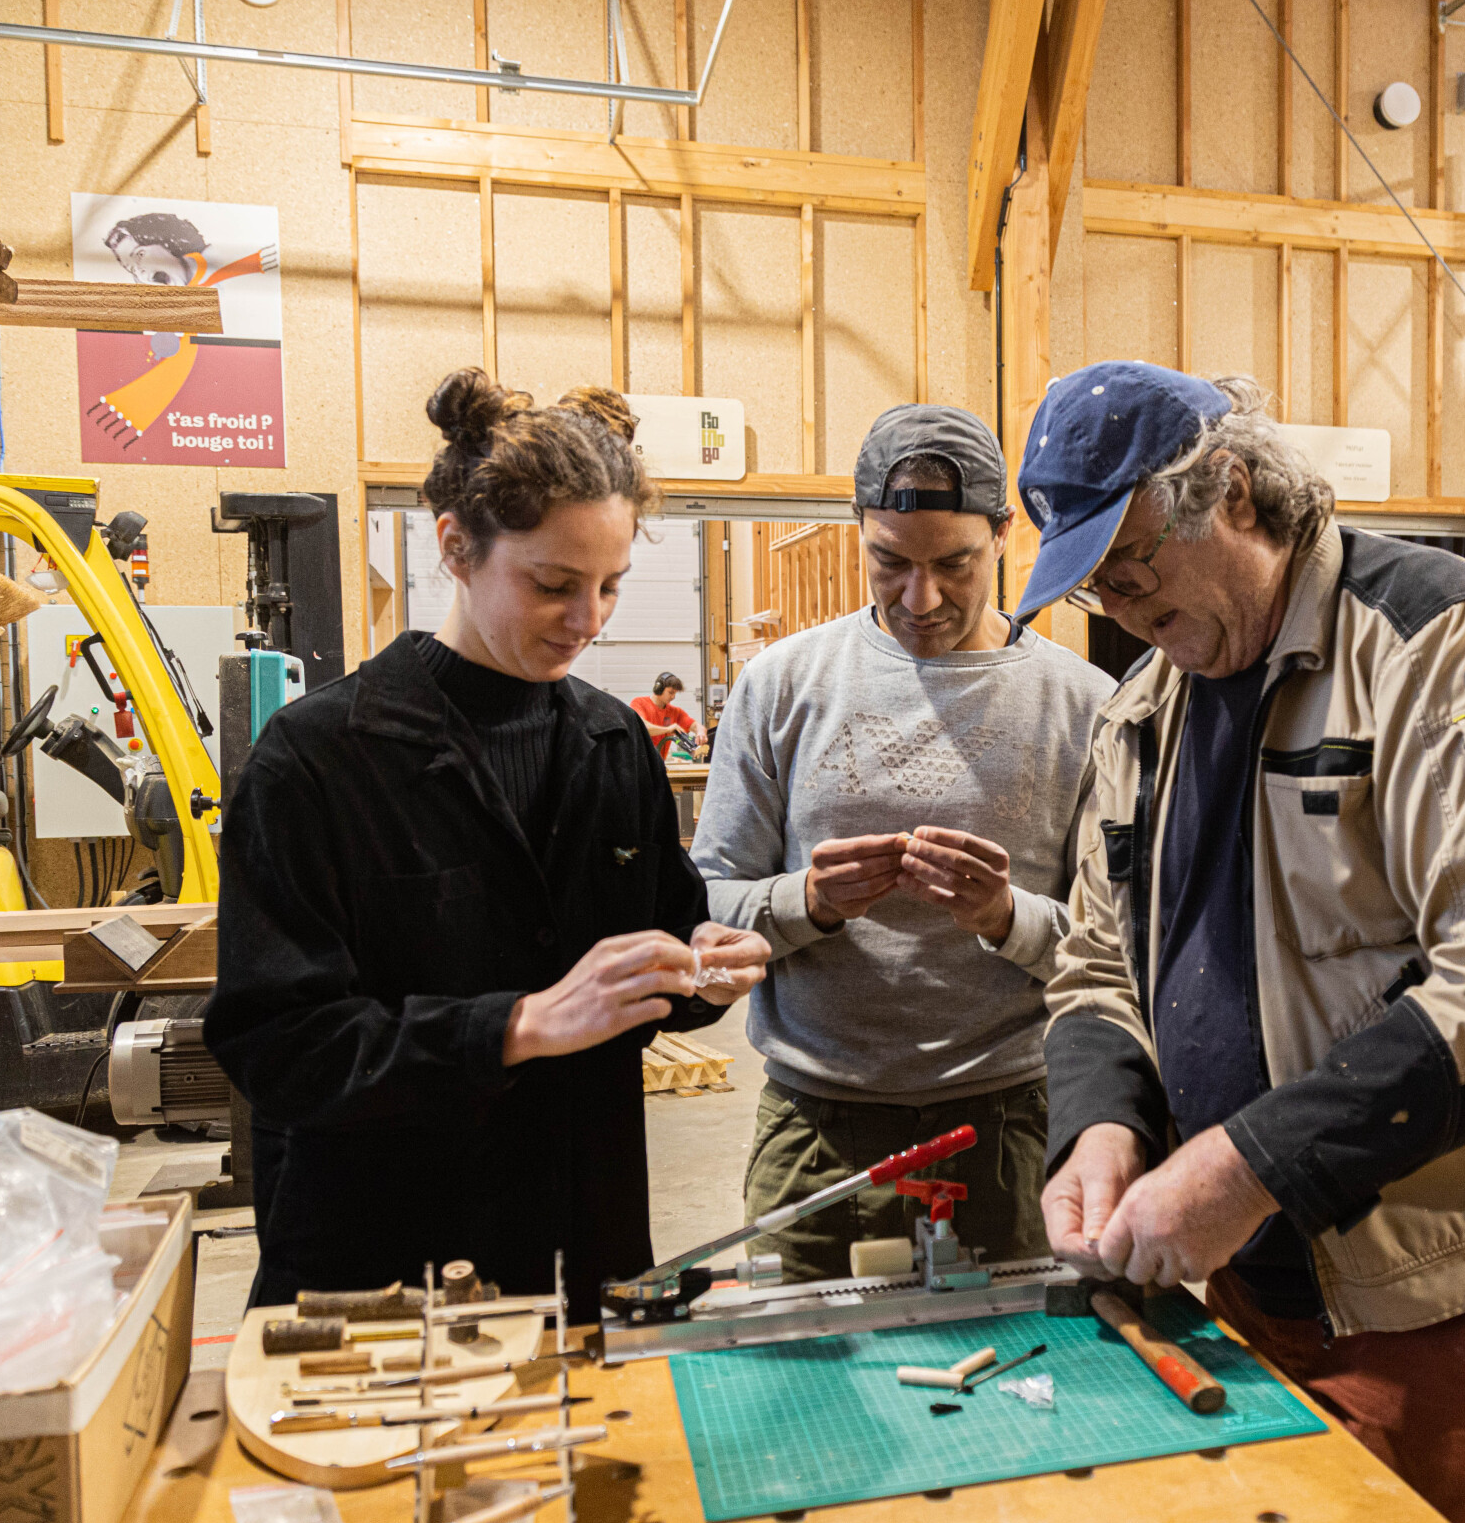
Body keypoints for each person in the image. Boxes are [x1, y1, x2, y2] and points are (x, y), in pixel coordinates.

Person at [1019, 362, 1465, 1523]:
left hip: (1444, 1275)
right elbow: (1095, 958)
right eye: (1093, 582)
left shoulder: (1436, 643)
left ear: (1231, 494)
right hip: (1251, 1260)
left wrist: (1248, 1161)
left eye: (1130, 566)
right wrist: (1102, 1118)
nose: (1115, 605)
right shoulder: (1145, 709)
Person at [205, 367, 770, 1316]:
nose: (588, 622)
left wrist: (699, 971)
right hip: (381, 1271)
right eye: (552, 585)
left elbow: (657, 963)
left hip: (582, 1250)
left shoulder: (612, 743)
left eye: (609, 587)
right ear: (456, 548)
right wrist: (515, 1025)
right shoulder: (316, 761)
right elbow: (279, 1047)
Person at [693, 405, 1116, 1283]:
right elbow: (707, 901)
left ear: (1005, 534)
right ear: (860, 533)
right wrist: (803, 903)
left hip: (1007, 1122)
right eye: (890, 562)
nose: (921, 598)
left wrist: (1006, 917)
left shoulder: (1085, 705)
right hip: (814, 1127)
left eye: (953, 564)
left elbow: (1120, 948)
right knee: (798, 1397)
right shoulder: (782, 686)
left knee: (1022, 1394)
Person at [631, 672, 706, 760]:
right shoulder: (639, 703)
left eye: (675, 693)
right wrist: (668, 729)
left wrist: (701, 732)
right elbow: (642, 727)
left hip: (659, 763)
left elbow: (695, 725)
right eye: (670, 692)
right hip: (640, 763)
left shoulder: (674, 712)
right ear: (658, 689)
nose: (673, 697)